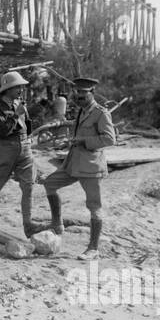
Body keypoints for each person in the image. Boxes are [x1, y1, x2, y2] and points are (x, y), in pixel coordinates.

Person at [41, 76, 117, 257]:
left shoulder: (101, 113)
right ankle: (57, 224)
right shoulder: (82, 111)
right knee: (50, 184)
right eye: (77, 92)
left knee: (94, 207)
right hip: (73, 163)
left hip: (90, 167)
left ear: (92, 93)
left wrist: (83, 141)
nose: (79, 95)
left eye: (84, 92)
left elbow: (109, 139)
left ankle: (93, 249)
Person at [0, 71, 46, 238]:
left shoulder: (19, 104)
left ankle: (28, 224)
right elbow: (2, 131)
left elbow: (27, 127)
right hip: (7, 148)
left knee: (29, 186)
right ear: (8, 89)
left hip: (25, 147)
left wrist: (29, 113)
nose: (20, 89)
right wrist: (17, 114)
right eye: (17, 87)